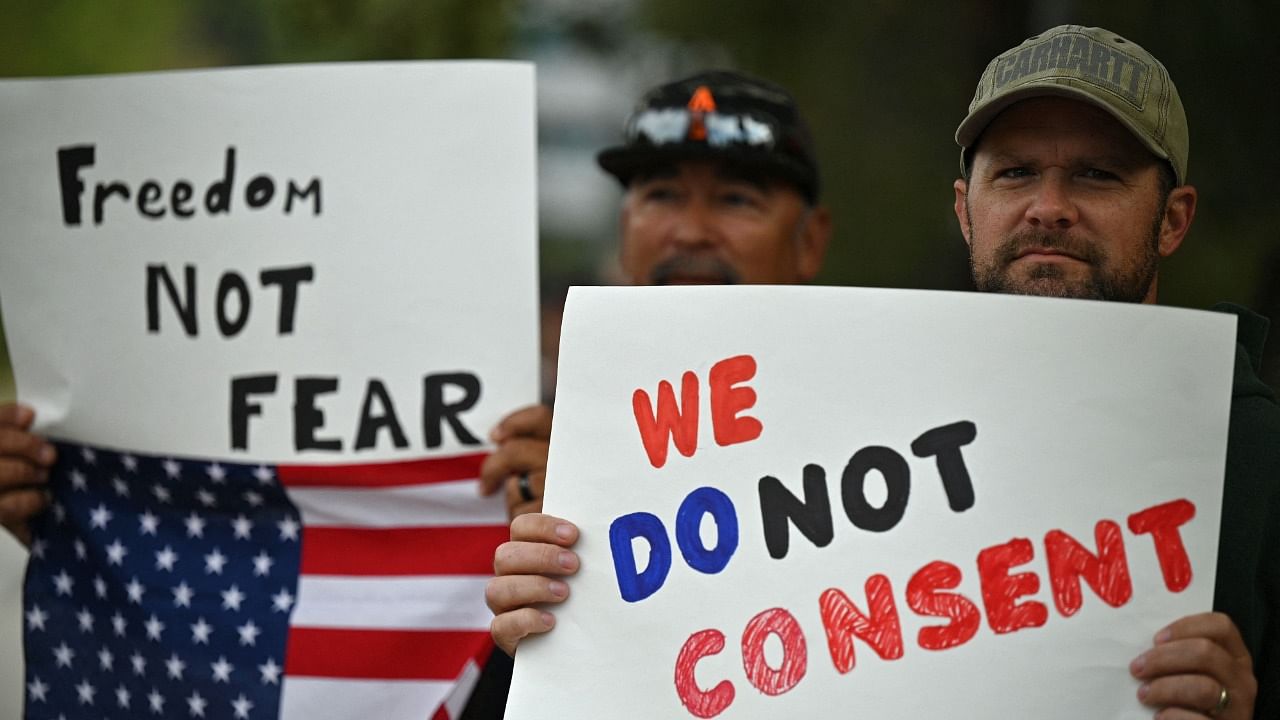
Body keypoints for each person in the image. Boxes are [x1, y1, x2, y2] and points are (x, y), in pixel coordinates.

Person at [486, 26, 1279, 720]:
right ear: (967, 210)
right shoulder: (863, 409)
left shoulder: (1255, 452)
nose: (1049, 206)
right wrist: (543, 637)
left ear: (1174, 218)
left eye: (1097, 175)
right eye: (1015, 173)